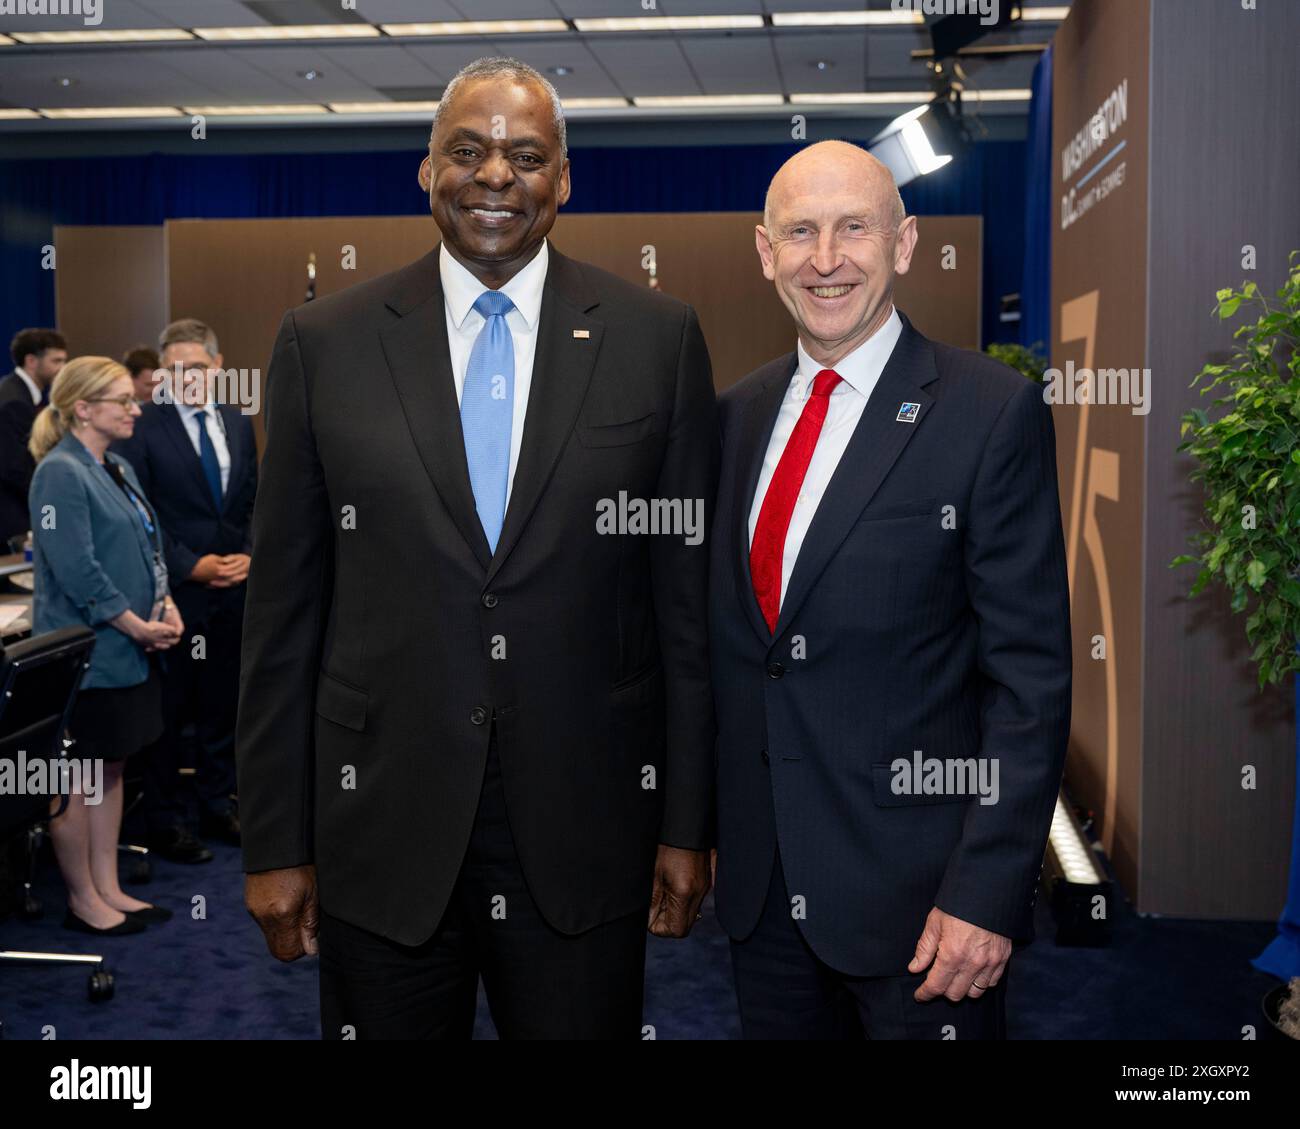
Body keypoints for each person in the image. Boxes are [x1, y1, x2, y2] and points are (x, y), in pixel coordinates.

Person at [236, 56, 717, 1040]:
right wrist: (273, 841)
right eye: (468, 151)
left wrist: (686, 822)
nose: (496, 176)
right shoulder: (321, 343)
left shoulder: (655, 339)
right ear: (426, 170)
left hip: (586, 827)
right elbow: (282, 616)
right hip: (381, 828)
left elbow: (683, 610)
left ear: (564, 180)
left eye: (526, 155)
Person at [710, 141, 1072, 1039]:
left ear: (904, 244)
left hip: (925, 916)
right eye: (800, 231)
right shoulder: (732, 418)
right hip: (764, 903)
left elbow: (1029, 683)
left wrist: (986, 895)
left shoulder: (991, 413)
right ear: (765, 253)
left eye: (853, 228)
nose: (825, 258)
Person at [28, 356, 183, 934]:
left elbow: (150, 546)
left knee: (111, 770)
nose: (136, 408)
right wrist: (136, 624)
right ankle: (82, 900)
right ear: (84, 408)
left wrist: (166, 605)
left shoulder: (115, 465)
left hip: (126, 649)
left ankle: (108, 887)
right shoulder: (59, 472)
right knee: (78, 779)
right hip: (88, 656)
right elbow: (79, 571)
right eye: (123, 400)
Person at [113, 319, 256, 864]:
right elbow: (141, 512)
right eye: (173, 370)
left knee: (224, 706)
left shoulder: (238, 422)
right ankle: (166, 820)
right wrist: (191, 566)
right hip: (174, 594)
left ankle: (218, 805)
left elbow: (252, 499)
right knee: (169, 715)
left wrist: (248, 555)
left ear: (218, 367)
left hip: (235, 590)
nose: (184, 378)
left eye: (194, 368)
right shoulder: (143, 425)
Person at [0, 329, 67, 547]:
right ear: (31, 361)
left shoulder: (23, 395)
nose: (63, 368)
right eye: (56, 361)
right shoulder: (13, 401)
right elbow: (14, 468)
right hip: (13, 516)